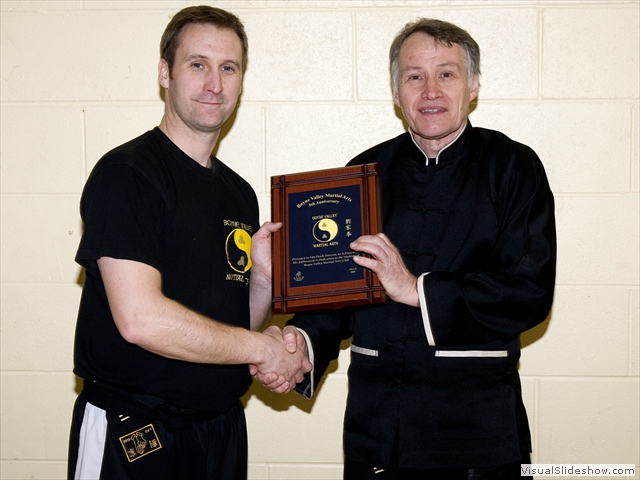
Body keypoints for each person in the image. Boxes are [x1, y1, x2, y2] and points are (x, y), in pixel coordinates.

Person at [258, 18, 556, 480]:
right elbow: (339, 292)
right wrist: (301, 342)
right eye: (414, 76)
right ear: (397, 92)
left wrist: (416, 288)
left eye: (447, 74)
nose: (430, 90)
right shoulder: (363, 173)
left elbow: (528, 292)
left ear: (473, 85)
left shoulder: (514, 168)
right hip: (376, 431)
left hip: (477, 437)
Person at [68, 6, 311, 480]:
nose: (214, 84)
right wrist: (263, 350)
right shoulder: (128, 175)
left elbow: (232, 325)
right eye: (197, 64)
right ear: (165, 73)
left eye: (229, 67)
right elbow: (140, 320)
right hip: (135, 431)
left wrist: (261, 278)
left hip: (218, 430)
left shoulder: (238, 193)